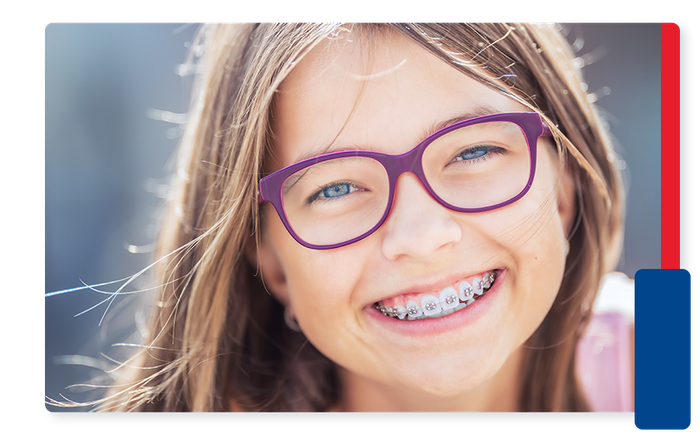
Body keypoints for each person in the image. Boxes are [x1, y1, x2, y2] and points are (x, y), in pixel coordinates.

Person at [94, 21, 627, 413]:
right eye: (337, 188)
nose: (421, 236)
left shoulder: (664, 357)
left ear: (562, 185)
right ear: (271, 260)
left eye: (473, 153)